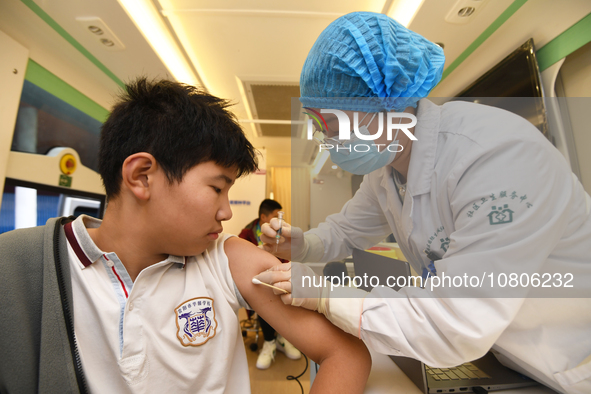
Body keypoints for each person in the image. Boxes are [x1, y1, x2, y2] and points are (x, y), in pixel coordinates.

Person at [256, 11, 591, 394]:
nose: (330, 143)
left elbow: (459, 318)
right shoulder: (386, 169)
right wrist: (299, 244)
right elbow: (346, 230)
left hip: (574, 359)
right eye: (323, 128)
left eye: (335, 126)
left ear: (386, 103)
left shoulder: (497, 156)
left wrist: (327, 296)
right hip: (509, 353)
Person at [0, 77, 372, 393]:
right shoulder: (23, 266)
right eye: (216, 188)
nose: (226, 211)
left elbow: (346, 353)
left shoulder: (225, 259)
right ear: (142, 176)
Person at [238, 199, 302, 369]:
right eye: (275, 216)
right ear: (264, 217)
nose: (279, 220)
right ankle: (269, 342)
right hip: (256, 284)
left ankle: (282, 337)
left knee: (287, 292)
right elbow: (240, 262)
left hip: (277, 280)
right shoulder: (246, 234)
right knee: (266, 295)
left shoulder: (280, 234)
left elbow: (285, 260)